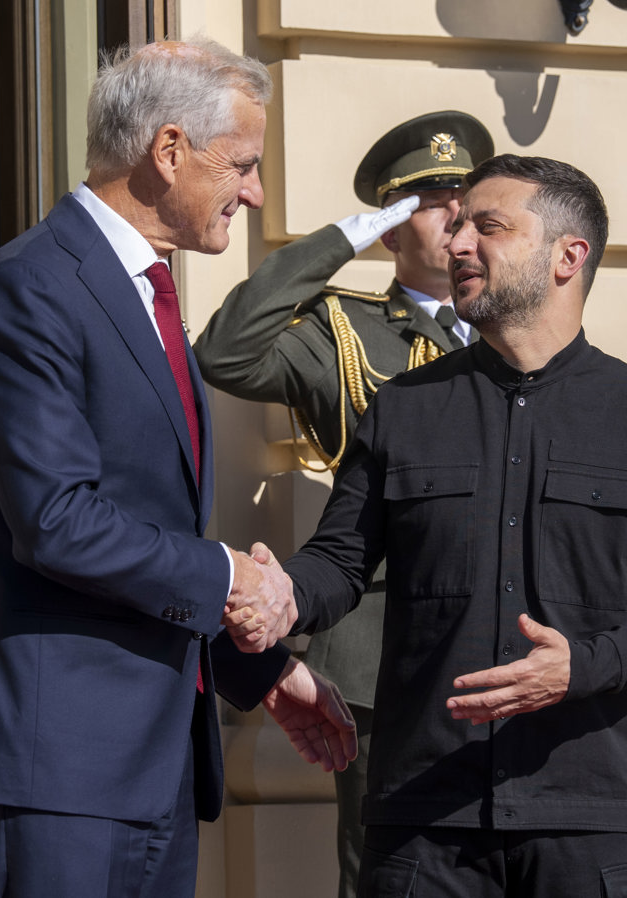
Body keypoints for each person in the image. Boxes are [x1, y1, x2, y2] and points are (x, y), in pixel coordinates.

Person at [0, 39, 355, 898]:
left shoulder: (146, 292)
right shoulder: (28, 288)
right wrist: (230, 572)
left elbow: (147, 527)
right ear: (170, 150)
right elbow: (58, 522)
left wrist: (259, 668)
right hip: (58, 768)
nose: (256, 193)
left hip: (151, 764)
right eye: (245, 166)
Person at [230, 154, 627, 896]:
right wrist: (282, 594)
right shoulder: (401, 409)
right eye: (456, 225)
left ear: (568, 256)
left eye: (487, 226)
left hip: (587, 818)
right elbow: (339, 562)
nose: (458, 243)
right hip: (425, 822)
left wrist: (581, 667)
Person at [193, 110, 493, 896]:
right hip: (382, 647)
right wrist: (338, 240)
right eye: (430, 201)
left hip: (502, 631)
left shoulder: (513, 330)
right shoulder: (342, 330)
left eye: (466, 195)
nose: (455, 213)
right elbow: (226, 353)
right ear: (391, 227)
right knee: (388, 867)